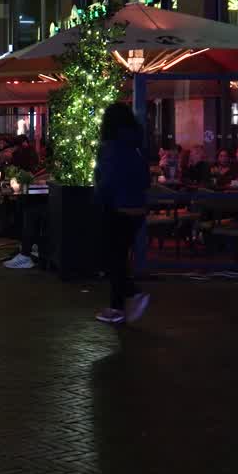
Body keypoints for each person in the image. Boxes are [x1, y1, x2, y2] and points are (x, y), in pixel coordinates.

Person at [94, 103, 151, 325]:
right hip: (136, 209)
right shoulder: (137, 145)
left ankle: (133, 293)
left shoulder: (109, 147)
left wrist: (98, 198)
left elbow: (107, 180)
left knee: (110, 258)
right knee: (118, 257)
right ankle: (116, 308)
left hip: (116, 208)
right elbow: (146, 180)